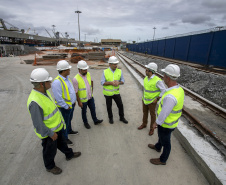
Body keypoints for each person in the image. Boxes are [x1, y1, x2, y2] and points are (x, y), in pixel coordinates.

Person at [27, 68, 81, 175]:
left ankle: (69, 154)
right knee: (49, 151)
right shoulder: (35, 101)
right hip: (49, 133)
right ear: (42, 84)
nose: (50, 82)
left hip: (57, 128)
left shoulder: (45, 93)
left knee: (62, 143)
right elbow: (38, 124)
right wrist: (51, 133)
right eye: (48, 81)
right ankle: (50, 166)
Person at [148, 64, 184, 165]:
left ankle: (163, 159)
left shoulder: (170, 97)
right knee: (161, 136)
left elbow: (164, 113)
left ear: (167, 78)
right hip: (171, 123)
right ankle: (158, 147)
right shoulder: (178, 89)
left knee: (166, 142)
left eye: (164, 75)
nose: (163, 77)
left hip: (166, 124)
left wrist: (156, 123)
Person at [52, 60, 78, 146]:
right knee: (64, 123)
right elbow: (58, 98)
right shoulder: (57, 82)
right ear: (64, 70)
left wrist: (74, 101)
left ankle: (69, 131)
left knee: (69, 120)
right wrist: (66, 106)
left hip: (71, 105)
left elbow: (70, 91)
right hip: (64, 107)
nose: (69, 70)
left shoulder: (67, 78)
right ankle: (65, 138)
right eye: (68, 69)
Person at [73, 60, 103, 129]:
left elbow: (92, 81)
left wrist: (91, 91)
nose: (85, 71)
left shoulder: (88, 74)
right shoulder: (75, 79)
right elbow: (76, 92)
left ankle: (95, 120)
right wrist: (79, 101)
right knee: (84, 111)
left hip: (90, 97)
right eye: (84, 70)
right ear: (79, 69)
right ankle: (85, 123)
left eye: (86, 69)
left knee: (93, 109)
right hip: (83, 99)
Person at [137, 63, 166, 136]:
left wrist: (157, 98)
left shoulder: (157, 80)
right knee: (145, 113)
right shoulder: (146, 78)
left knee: (152, 115)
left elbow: (163, 90)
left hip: (152, 102)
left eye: (146, 70)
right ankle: (144, 124)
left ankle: (151, 129)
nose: (145, 71)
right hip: (145, 100)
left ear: (151, 71)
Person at [101, 56, 128, 124]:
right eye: (114, 64)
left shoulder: (119, 71)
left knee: (120, 105)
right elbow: (102, 83)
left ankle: (121, 117)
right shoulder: (105, 72)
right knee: (109, 107)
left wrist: (119, 82)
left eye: (116, 64)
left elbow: (123, 81)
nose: (116, 65)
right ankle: (111, 118)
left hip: (116, 92)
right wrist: (110, 83)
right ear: (109, 64)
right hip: (107, 93)